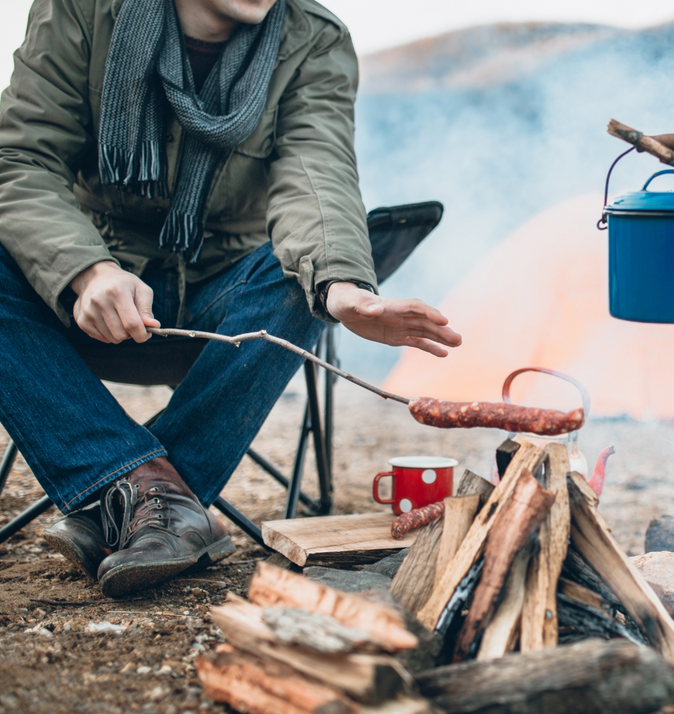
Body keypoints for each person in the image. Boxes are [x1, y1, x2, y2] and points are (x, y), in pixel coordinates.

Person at [0, 0, 461, 598]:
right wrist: (85, 271)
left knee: (299, 277)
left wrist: (344, 290)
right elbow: (20, 158)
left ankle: (118, 498)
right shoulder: (82, 11)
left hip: (224, 303)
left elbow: (316, 174)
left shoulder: (311, 39)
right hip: (94, 300)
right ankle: (154, 498)